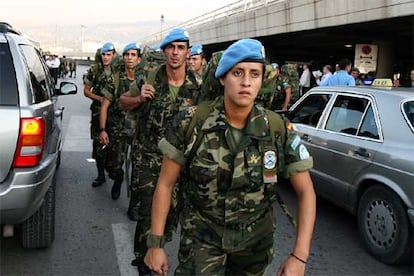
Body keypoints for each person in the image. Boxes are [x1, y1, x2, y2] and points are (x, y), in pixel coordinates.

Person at [144, 38, 316, 275]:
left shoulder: (276, 128)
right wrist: (155, 244)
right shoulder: (191, 122)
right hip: (201, 241)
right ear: (223, 77)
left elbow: (306, 192)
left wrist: (300, 256)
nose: (246, 82)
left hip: (254, 246)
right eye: (238, 73)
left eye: (254, 74)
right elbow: (165, 183)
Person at [118, 28, 200, 275]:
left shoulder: (198, 86)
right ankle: (144, 261)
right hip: (148, 159)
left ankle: (159, 249)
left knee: (173, 214)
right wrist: (139, 98)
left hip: (181, 162)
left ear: (187, 52)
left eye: (181, 48)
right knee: (147, 211)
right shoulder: (149, 78)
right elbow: (123, 101)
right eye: (171, 47)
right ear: (165, 51)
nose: (176, 53)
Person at [99, 42, 141, 202]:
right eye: (127, 54)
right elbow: (104, 106)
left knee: (139, 171)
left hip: (139, 131)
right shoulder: (115, 80)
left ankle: (134, 206)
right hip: (118, 130)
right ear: (123, 58)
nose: (130, 58)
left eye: (133, 55)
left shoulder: (145, 80)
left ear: (139, 59)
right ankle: (118, 178)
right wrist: (103, 130)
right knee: (113, 166)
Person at [83, 42, 116, 188]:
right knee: (99, 144)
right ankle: (101, 175)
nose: (106, 57)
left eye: (108, 54)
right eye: (103, 54)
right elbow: (86, 90)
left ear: (114, 55)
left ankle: (114, 172)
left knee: (115, 145)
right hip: (98, 112)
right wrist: (99, 99)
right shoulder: (95, 70)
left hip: (115, 114)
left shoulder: (119, 70)